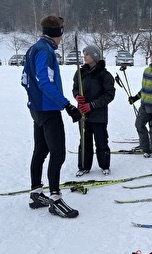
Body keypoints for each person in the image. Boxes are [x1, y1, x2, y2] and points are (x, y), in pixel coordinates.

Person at [21, 15, 82, 218]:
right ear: (57, 34)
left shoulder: (33, 48)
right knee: (58, 153)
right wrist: (67, 105)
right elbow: (44, 82)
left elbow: (24, 79)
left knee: (41, 150)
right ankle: (55, 199)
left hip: (37, 109)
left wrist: (34, 100)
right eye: (61, 33)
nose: (61, 38)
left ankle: (36, 193)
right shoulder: (45, 51)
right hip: (47, 110)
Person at [72, 45, 115, 177]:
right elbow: (75, 88)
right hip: (83, 114)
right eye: (84, 54)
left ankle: (104, 165)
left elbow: (109, 95)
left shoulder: (105, 75)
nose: (84, 56)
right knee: (84, 141)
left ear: (95, 57)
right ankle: (84, 166)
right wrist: (76, 95)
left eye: (87, 54)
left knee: (101, 140)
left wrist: (92, 105)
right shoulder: (80, 73)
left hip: (98, 115)